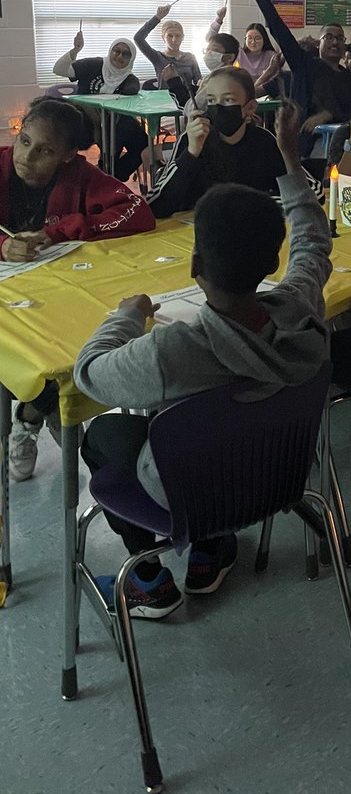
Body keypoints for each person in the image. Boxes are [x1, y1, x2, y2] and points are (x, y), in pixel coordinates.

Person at [73, 102, 332, 618]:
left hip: (189, 492)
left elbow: (88, 372)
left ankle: (149, 579)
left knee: (102, 435)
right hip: (277, 473)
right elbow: (312, 244)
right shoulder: (300, 308)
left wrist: (129, 315)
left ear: (195, 265)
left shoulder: (170, 352)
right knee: (219, 423)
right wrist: (289, 155)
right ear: (272, 262)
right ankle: (212, 549)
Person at [3, 97, 154, 482]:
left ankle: (32, 413)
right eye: (24, 142)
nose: (27, 157)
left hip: (58, 289)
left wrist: (59, 230)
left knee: (72, 347)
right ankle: (42, 410)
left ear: (69, 155)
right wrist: (2, 246)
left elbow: (137, 213)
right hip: (7, 297)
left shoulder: (81, 175)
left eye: (45, 151)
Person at [230, 0, 351, 147]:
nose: (335, 42)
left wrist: (328, 114)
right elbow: (276, 25)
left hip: (342, 144)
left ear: (345, 47)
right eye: (329, 37)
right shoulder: (304, 66)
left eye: (340, 38)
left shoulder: (350, 77)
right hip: (307, 147)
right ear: (318, 44)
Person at [148, 66, 292, 218]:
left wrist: (254, 205)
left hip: (249, 227)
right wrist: (191, 153)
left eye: (228, 100)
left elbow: (303, 193)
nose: (217, 108)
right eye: (211, 100)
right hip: (197, 229)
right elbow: (156, 205)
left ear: (250, 107)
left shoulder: (264, 142)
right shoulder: (190, 140)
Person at [53, 32, 147, 181]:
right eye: (116, 51)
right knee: (113, 137)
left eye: (126, 54)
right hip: (86, 118)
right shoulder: (93, 64)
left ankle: (114, 175)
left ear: (131, 58)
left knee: (143, 142)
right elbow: (59, 69)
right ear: (110, 51)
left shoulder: (130, 79)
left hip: (115, 121)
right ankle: (106, 172)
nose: (120, 56)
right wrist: (75, 50)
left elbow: (131, 94)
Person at [208, 8, 282, 91]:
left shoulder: (271, 55)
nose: (253, 42)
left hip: (264, 93)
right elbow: (211, 40)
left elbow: (276, 80)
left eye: (257, 38)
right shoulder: (239, 53)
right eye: (249, 38)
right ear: (245, 39)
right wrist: (219, 20)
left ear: (264, 39)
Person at [165, 31, 240, 111]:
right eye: (207, 50)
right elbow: (199, 97)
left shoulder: (221, 81)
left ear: (229, 57)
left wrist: (173, 81)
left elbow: (192, 107)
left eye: (215, 50)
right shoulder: (220, 76)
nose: (208, 54)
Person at [133, 5, 202, 90]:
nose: (174, 40)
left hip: (186, 97)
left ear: (182, 37)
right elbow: (138, 38)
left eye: (178, 36)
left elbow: (198, 82)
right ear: (163, 38)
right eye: (170, 36)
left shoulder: (190, 57)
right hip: (165, 97)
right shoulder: (157, 57)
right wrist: (157, 18)